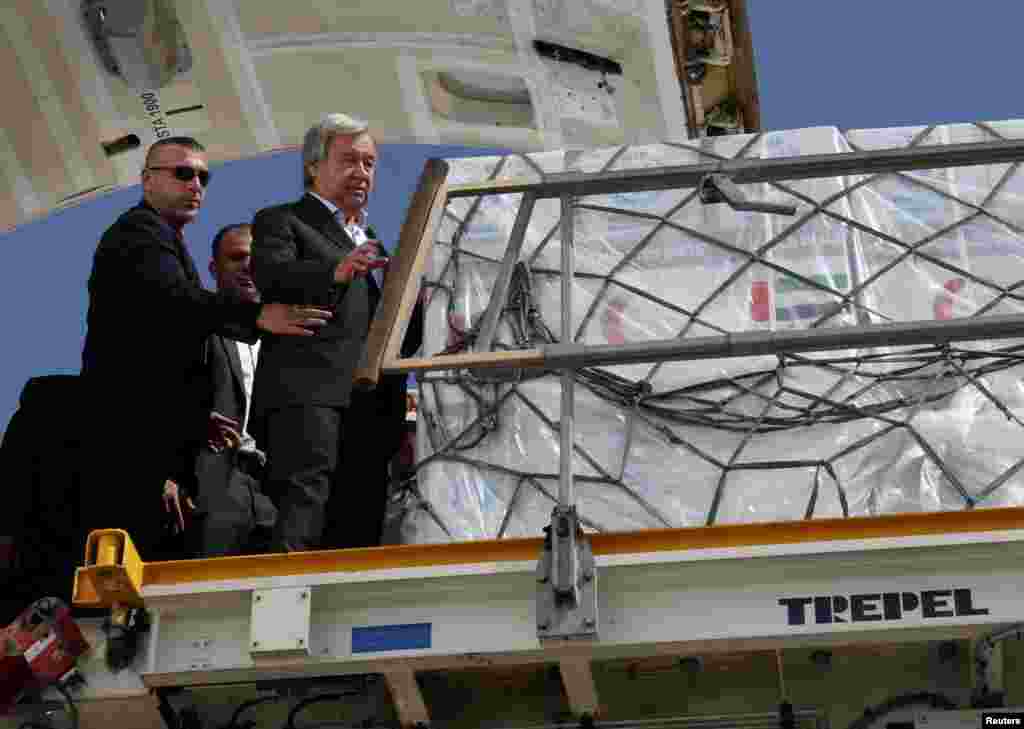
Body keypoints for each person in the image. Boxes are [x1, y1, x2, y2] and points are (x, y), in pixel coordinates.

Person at [79, 136, 332, 562]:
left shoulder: (165, 242)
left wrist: (194, 418)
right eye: (182, 173)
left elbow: (155, 362)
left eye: (203, 176)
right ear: (147, 181)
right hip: (138, 466)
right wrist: (258, 317)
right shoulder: (139, 234)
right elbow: (171, 305)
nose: (196, 184)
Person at [250, 113, 420, 552]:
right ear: (313, 166)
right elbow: (273, 277)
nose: (361, 173)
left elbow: (386, 329)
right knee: (303, 519)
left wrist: (423, 307)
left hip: (371, 408)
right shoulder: (281, 221)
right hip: (309, 401)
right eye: (349, 161)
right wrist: (337, 270)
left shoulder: (373, 239)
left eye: (368, 164)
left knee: (359, 527)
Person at [191, 224, 278, 557]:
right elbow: (158, 395)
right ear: (214, 269)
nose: (248, 266)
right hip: (213, 488)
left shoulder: (292, 340)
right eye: (237, 258)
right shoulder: (196, 325)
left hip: (276, 490)